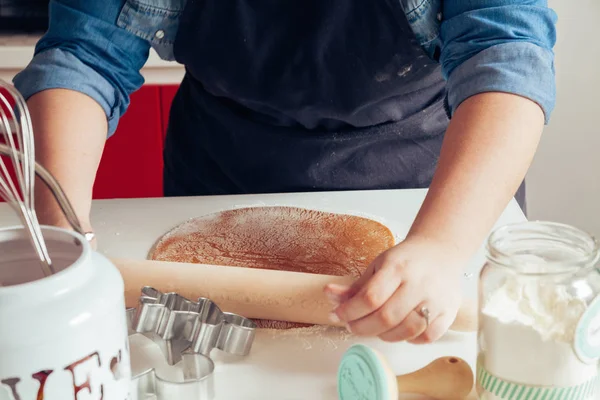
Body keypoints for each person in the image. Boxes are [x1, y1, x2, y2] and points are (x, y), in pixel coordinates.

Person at [14, 0, 556, 344]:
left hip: (428, 182)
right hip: (222, 168)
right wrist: (59, 231)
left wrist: (440, 247)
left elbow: (506, 51)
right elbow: (86, 56)